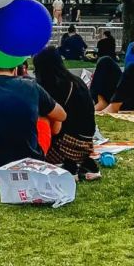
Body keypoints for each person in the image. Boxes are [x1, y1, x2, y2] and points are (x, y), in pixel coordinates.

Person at [33, 47, 99, 179]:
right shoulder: (77, 82)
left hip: (64, 147)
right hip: (86, 146)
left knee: (41, 121)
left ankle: (66, 165)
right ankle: (82, 164)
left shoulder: (53, 87)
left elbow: (56, 129)